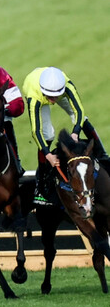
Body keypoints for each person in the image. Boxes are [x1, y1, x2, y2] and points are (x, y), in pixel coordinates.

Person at [23, 66, 110, 206]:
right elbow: (36, 131)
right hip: (33, 88)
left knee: (82, 120)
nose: (53, 100)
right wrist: (48, 155)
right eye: (50, 97)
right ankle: (42, 181)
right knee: (47, 133)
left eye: (56, 96)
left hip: (54, 87)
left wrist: (75, 132)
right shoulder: (34, 97)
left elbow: (79, 112)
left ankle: (103, 156)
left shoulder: (67, 86)